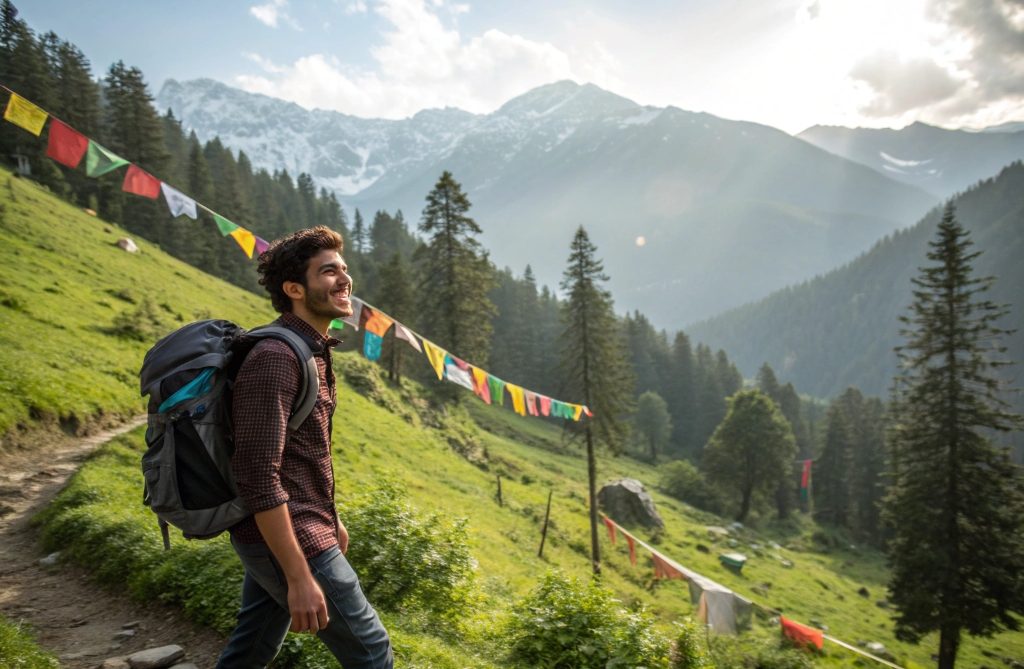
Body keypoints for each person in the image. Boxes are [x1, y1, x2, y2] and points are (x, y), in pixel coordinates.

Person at [216, 226, 393, 668]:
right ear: (295, 289)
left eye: (344, 269)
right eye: (328, 271)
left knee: (253, 647)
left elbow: (301, 455)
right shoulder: (276, 358)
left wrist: (332, 518)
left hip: (301, 525)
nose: (344, 279)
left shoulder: (310, 348)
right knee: (373, 654)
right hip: (291, 536)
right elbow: (258, 476)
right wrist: (298, 574)